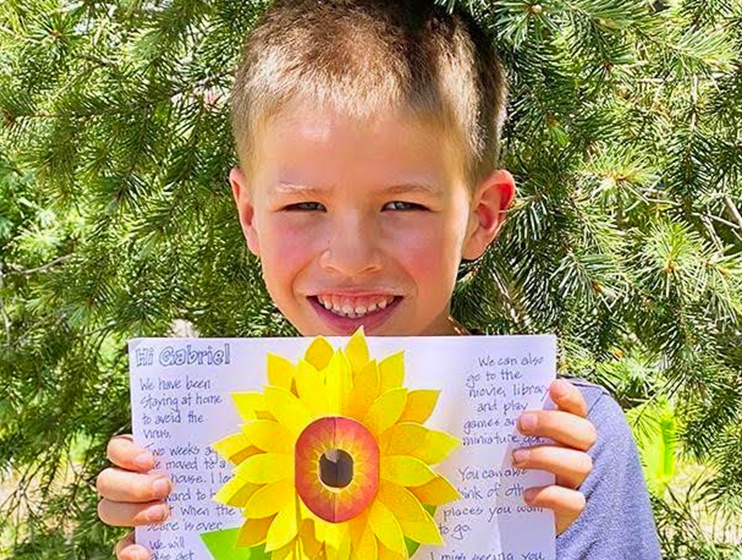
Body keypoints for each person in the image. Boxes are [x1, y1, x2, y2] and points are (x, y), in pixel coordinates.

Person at [96, 1, 661, 558]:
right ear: (250, 217)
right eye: (304, 207)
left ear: (481, 217)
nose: (350, 258)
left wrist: (532, 541)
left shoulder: (564, 449)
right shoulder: (201, 450)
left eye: (401, 206)